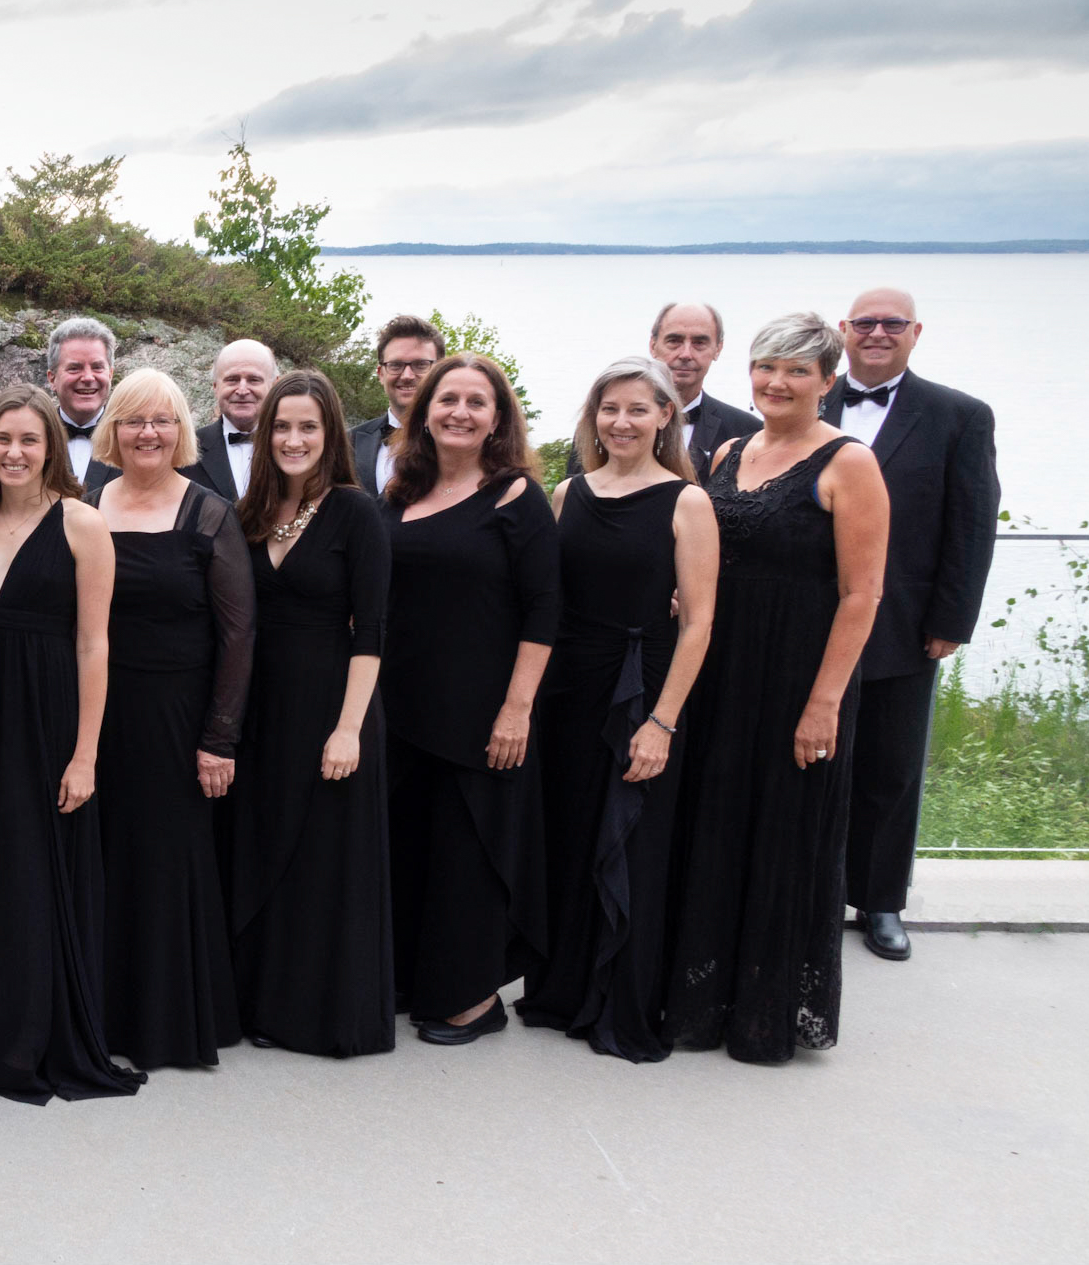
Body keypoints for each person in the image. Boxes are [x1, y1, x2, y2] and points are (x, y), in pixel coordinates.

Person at [667, 314, 889, 1064]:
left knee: (783, 833)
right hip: (721, 672)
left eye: (797, 370)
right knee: (715, 823)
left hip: (798, 675)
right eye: (766, 366)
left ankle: (763, 1014)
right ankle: (701, 997)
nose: (776, 382)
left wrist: (824, 701)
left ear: (828, 381)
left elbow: (862, 594)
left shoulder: (850, 462)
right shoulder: (730, 450)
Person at [515, 360, 717, 1063]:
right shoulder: (568, 492)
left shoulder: (687, 502)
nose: (622, 422)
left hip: (642, 687)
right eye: (609, 409)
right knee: (569, 835)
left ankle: (619, 1003)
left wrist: (661, 721)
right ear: (592, 417)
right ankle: (560, 990)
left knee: (630, 841)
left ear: (666, 415)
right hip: (571, 685)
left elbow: (697, 624)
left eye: (637, 409)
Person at [0, 386, 140, 1105]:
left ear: (51, 448)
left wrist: (86, 752)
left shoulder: (84, 525)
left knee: (41, 875)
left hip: (53, 717)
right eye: (3, 439)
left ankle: (41, 1037)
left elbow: (95, 643)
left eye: (30, 440)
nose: (15, 452)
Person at [381, 354, 557, 1047]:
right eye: (446, 398)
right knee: (411, 849)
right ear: (423, 411)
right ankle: (414, 979)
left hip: (481, 712)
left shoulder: (516, 498)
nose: (459, 411)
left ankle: (472, 999)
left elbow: (545, 611)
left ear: (497, 420)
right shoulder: (399, 494)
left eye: (475, 402)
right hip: (401, 709)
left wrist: (517, 709)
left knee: (468, 856)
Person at [824, 288, 998, 963]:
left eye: (891, 323)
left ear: (915, 333)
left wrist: (951, 620)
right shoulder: (810, 401)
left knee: (889, 768)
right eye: (864, 322)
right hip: (814, 619)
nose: (876, 333)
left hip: (903, 621)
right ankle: (816, 888)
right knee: (815, 759)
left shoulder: (959, 415)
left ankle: (881, 898)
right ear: (843, 331)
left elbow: (972, 524)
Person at [223, 370, 393, 1058]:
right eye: (282, 427)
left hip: (333, 706)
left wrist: (349, 727)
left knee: (325, 862)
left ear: (330, 434)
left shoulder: (357, 512)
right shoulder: (251, 512)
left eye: (308, 427)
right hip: (262, 710)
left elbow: (372, 631)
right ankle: (261, 1004)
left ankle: (321, 1017)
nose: (294, 439)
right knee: (266, 852)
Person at [85, 368, 251, 1069]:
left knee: (167, 859)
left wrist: (219, 738)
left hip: (179, 716)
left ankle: (167, 1021)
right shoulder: (89, 503)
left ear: (182, 430)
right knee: (105, 857)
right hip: (100, 711)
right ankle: (103, 1013)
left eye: (161, 420)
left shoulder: (208, 512)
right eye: (132, 420)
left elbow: (239, 634)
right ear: (112, 431)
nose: (147, 432)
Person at [651, 303, 761, 484]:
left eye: (699, 343)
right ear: (653, 345)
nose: (686, 354)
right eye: (674, 341)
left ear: (718, 349)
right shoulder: (615, 424)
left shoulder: (749, 432)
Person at [349, 315, 443, 495]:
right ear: (380, 373)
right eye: (395, 365)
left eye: (420, 365)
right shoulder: (348, 443)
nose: (407, 375)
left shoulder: (459, 441)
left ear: (440, 371)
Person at [185, 339, 277, 503]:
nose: (242, 390)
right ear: (215, 387)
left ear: (274, 385)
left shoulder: (294, 448)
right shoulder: (186, 450)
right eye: (232, 380)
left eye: (254, 380)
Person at [45, 316, 121, 490]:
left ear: (110, 374)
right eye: (74, 368)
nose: (88, 377)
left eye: (97, 367)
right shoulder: (35, 435)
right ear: (52, 379)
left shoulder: (131, 439)